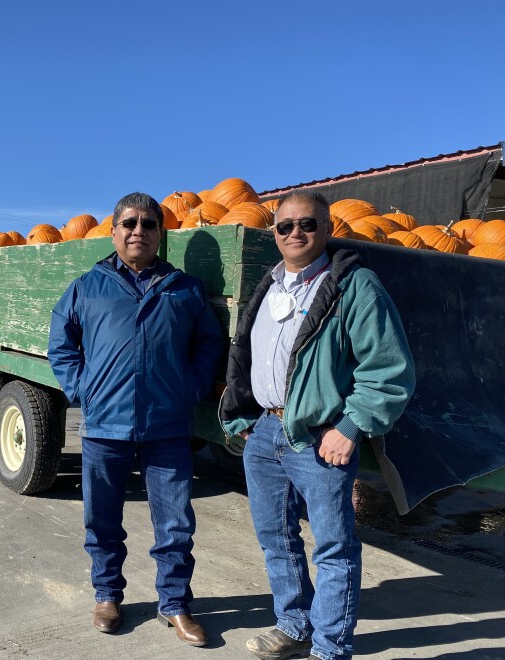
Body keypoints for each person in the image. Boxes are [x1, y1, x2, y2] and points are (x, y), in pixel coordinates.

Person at [220, 191, 415, 660]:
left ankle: (330, 647)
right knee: (276, 539)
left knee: (333, 547)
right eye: (285, 225)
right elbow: (248, 356)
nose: (296, 232)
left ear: (327, 229)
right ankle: (294, 625)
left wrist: (351, 426)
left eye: (307, 224)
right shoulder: (270, 286)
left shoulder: (354, 286)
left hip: (319, 437)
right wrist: (245, 415)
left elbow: (389, 369)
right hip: (265, 431)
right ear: (274, 233)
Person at [48, 192, 223, 646]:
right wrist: (82, 389)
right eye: (129, 223)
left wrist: (192, 387)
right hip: (105, 426)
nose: (138, 231)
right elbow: (61, 344)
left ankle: (176, 603)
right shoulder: (88, 287)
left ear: (161, 233)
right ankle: (107, 595)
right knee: (102, 520)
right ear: (114, 232)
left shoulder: (184, 288)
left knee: (175, 525)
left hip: (167, 426)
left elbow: (208, 343)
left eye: (148, 224)